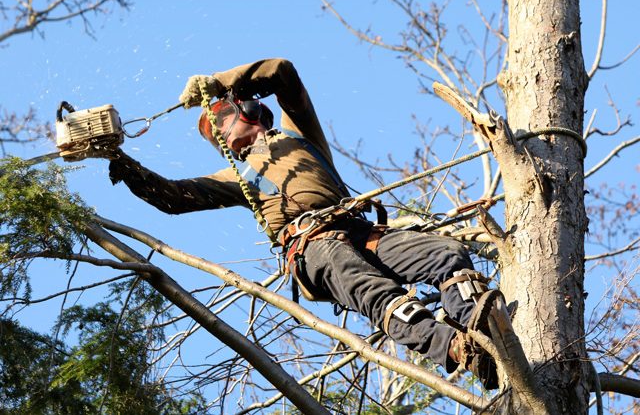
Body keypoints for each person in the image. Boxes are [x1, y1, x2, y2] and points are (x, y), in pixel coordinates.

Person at [106, 58, 503, 389]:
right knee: (373, 290)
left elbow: (283, 73)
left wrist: (219, 83)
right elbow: (174, 198)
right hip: (312, 245)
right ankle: (457, 349)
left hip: (359, 231)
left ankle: (483, 327)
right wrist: (122, 163)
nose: (225, 137)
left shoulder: (299, 134)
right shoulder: (238, 178)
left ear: (249, 110)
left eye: (224, 122)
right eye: (219, 135)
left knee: (445, 254)